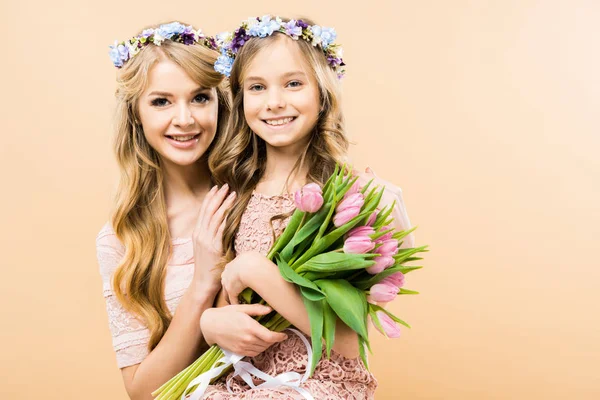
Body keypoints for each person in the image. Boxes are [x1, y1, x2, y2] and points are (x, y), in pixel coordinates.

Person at [201, 16, 415, 399]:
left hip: (319, 385)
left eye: (293, 83)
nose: (274, 102)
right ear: (240, 98)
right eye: (257, 87)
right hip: (244, 379)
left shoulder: (356, 196)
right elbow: (230, 303)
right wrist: (211, 321)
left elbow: (347, 340)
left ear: (323, 94)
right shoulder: (238, 195)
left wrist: (253, 269)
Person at [97, 21, 287, 400]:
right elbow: (142, 392)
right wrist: (203, 286)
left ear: (220, 103)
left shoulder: (262, 191)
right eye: (161, 101)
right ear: (136, 113)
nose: (184, 119)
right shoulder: (122, 239)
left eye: (200, 98)